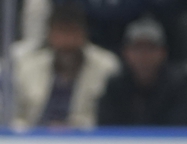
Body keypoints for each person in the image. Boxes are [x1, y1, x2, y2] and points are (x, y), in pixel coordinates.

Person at [13, 1, 119, 129]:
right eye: (61, 32)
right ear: (50, 35)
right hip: (35, 135)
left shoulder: (106, 67)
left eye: (72, 32)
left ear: (84, 34)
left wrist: (73, 129)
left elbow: (109, 119)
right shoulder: (28, 66)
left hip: (85, 137)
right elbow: (14, 116)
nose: (67, 40)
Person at [97, 15, 187, 127]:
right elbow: (107, 127)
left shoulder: (176, 86)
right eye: (137, 48)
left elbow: (180, 127)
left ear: (163, 52)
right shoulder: (115, 86)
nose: (144, 56)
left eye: (150, 48)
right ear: (126, 52)